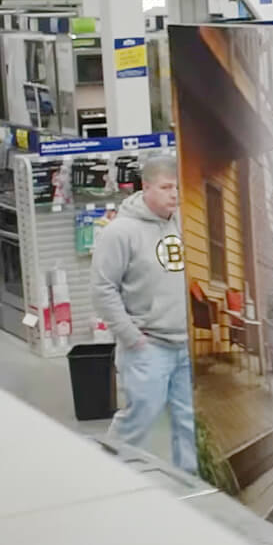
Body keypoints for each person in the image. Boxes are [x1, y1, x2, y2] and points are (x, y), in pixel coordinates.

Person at [91, 154, 197, 475]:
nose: (174, 194)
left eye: (177, 187)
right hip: (148, 346)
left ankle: (190, 485)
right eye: (166, 187)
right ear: (146, 187)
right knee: (140, 418)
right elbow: (102, 289)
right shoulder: (120, 232)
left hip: (185, 347)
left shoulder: (184, 223)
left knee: (189, 422)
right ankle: (109, 477)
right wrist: (130, 336)